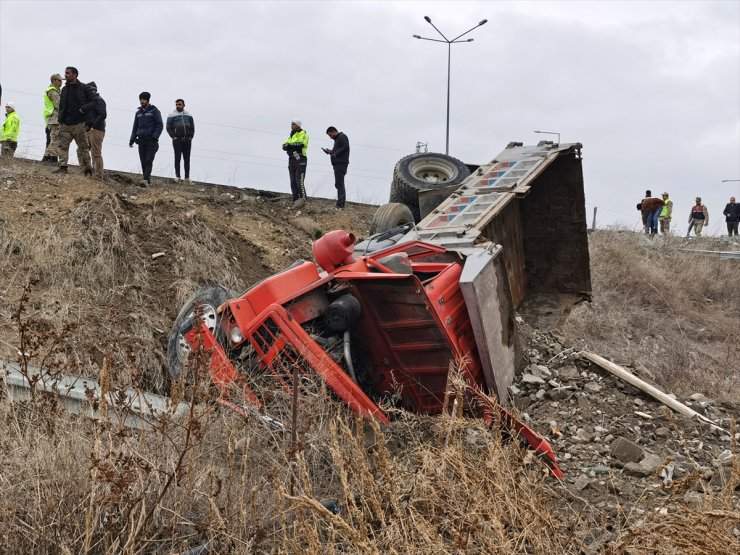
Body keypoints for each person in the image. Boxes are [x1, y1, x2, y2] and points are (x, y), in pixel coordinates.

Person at [55, 66, 95, 175]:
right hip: (65, 124)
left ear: (75, 75)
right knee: (62, 146)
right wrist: (60, 119)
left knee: (83, 147)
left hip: (79, 124)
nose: (65, 75)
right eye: (65, 73)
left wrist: (83, 108)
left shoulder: (84, 88)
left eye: (68, 73)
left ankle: (88, 169)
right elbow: (62, 105)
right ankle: (63, 167)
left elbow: (94, 102)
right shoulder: (64, 89)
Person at [129, 92, 163, 187]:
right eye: (141, 99)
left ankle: (145, 180)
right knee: (143, 161)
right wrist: (132, 139)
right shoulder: (138, 113)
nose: (142, 101)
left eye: (144, 99)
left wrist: (155, 137)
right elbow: (135, 127)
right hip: (141, 141)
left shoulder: (155, 111)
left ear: (148, 100)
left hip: (152, 141)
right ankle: (146, 180)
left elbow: (160, 125)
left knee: (148, 160)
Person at [77, 82, 106, 179]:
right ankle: (84, 171)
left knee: (95, 153)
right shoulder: (89, 102)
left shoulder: (99, 100)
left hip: (96, 130)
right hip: (88, 129)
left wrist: (94, 126)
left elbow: (103, 114)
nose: (90, 92)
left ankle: (98, 175)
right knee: (81, 150)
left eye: (92, 90)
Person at [166, 98, 195, 181]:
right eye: (177, 104)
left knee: (187, 158)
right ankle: (178, 176)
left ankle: (187, 177)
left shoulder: (189, 115)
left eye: (180, 104)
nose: (178, 106)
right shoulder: (171, 115)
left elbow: (192, 127)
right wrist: (173, 137)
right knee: (177, 157)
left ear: (183, 105)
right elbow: (168, 127)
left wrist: (190, 137)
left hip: (187, 139)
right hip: (177, 139)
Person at [282, 119, 309, 209]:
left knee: (299, 180)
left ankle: (304, 199)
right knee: (292, 181)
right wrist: (287, 146)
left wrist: (290, 146)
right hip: (291, 159)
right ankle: (295, 201)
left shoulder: (303, 134)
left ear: (298, 125)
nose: (291, 126)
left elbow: (301, 144)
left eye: (293, 124)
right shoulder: (291, 136)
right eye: (291, 124)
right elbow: (285, 145)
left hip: (300, 159)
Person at [323, 126, 350, 209]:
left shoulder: (342, 136)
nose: (330, 137)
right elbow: (339, 150)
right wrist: (330, 152)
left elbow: (345, 147)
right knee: (338, 184)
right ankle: (340, 204)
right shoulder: (337, 139)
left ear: (334, 132)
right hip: (338, 164)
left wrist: (335, 154)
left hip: (341, 164)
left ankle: (340, 205)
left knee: (340, 184)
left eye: (330, 135)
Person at [42, 73, 62, 164]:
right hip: (55, 118)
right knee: (55, 139)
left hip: (52, 118)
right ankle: (50, 157)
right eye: (59, 80)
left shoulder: (54, 90)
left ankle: (48, 157)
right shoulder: (53, 91)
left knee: (54, 139)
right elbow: (59, 105)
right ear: (54, 80)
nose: (61, 82)